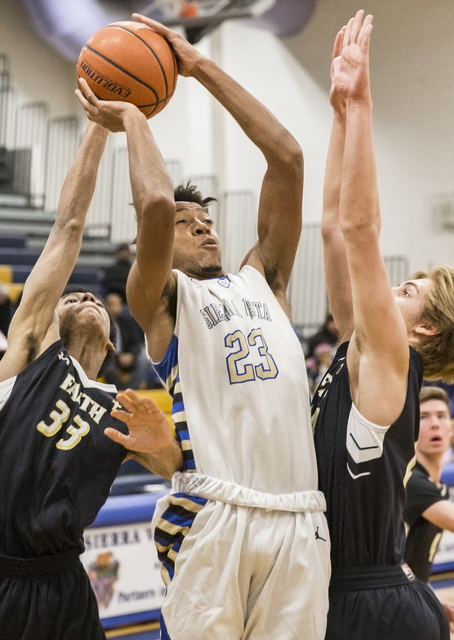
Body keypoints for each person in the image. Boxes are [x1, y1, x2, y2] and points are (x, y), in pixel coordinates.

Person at [76, 13, 330, 640]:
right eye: (190, 224)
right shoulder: (160, 298)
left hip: (299, 515)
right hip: (214, 513)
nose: (204, 227)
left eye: (208, 220)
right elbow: (157, 204)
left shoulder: (262, 279)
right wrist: (133, 116)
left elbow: (289, 157)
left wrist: (200, 67)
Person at [0, 121, 183, 640]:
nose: (83, 298)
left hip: (63, 584)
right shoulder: (28, 354)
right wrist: (99, 130)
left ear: (111, 346)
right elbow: (68, 227)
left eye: (93, 299)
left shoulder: (118, 403)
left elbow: (175, 471)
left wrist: (161, 443)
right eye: (70, 297)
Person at [311, 11, 454, 640]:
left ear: (424, 333)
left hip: (372, 602)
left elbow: (362, 231)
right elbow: (332, 227)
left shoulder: (393, 361)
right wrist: (340, 114)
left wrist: (365, 102)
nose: (390, 289)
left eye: (407, 291)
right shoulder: (358, 348)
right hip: (339, 589)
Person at [404, 386, 454, 628]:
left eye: (441, 416)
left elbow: (413, 568)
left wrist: (430, 598)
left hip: (408, 599)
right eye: (423, 417)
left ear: (451, 428)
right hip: (390, 607)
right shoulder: (410, 481)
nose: (434, 424)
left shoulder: (439, 490)